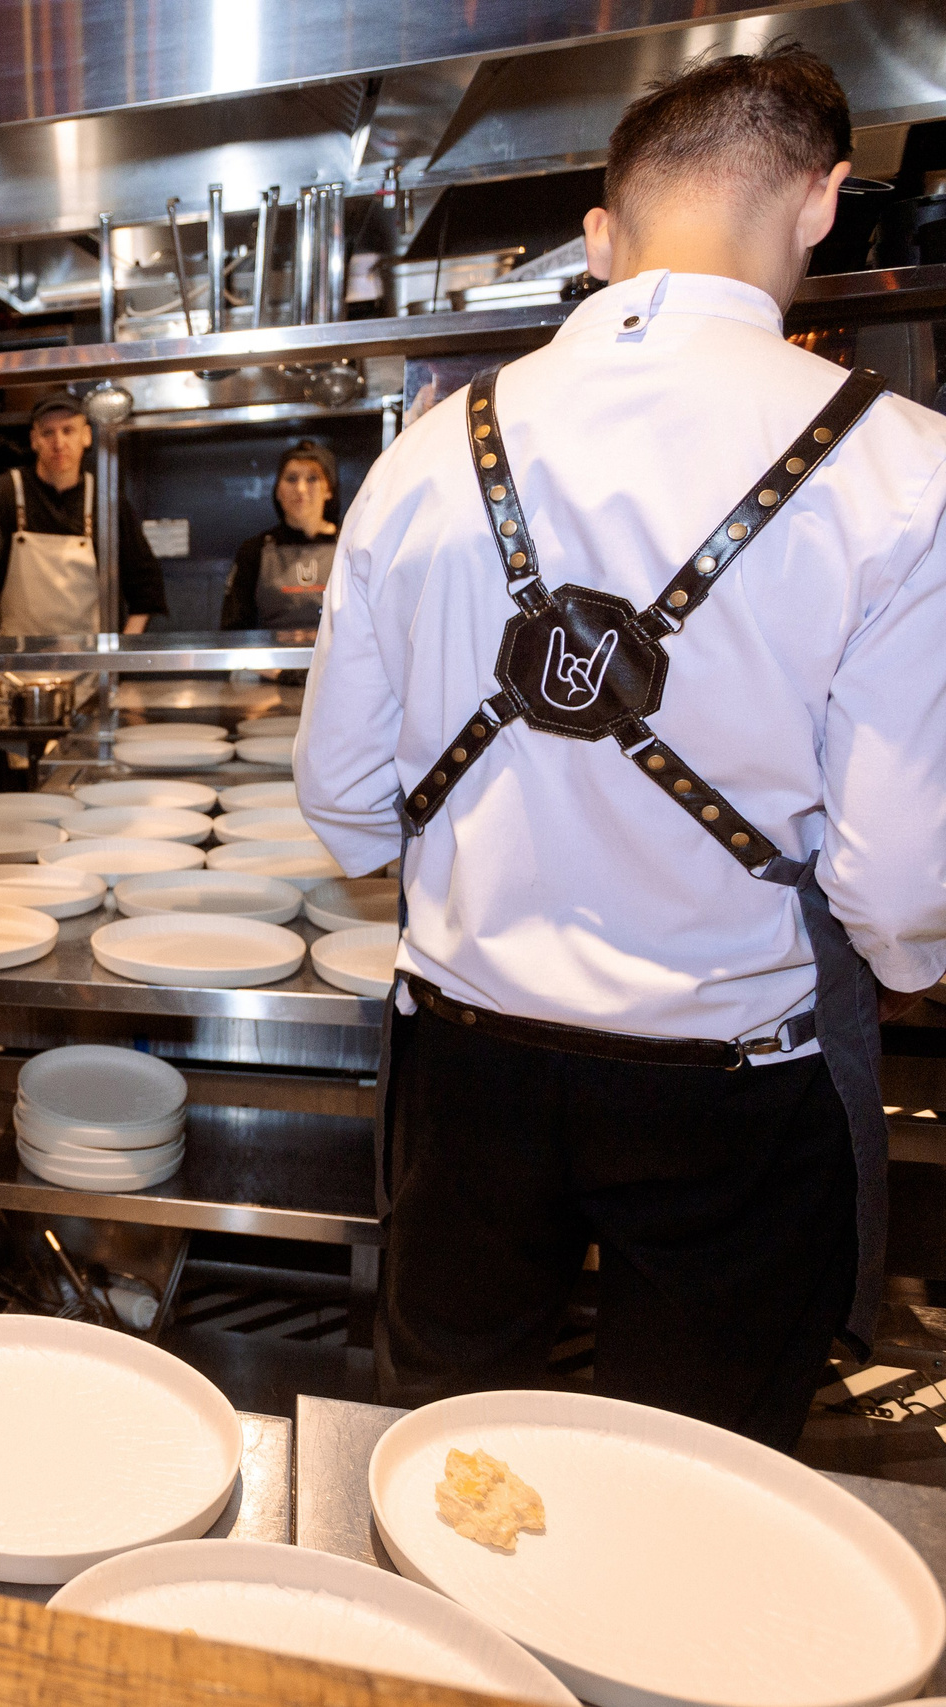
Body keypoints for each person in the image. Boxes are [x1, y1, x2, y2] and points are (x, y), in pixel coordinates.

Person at [296, 43, 946, 1449]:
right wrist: (898, 968)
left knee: (444, 1465)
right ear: (824, 203)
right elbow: (898, 894)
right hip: (730, 1086)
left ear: (602, 236)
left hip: (465, 1074)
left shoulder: (424, 454)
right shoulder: (900, 466)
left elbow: (346, 815)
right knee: (693, 1495)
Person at [0, 391, 166, 637]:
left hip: (91, 667)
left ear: (86, 436)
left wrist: (118, 660)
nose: (58, 443)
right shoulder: (6, 492)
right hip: (17, 665)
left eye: (68, 430)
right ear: (34, 440)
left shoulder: (105, 498)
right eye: (48, 432)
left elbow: (146, 586)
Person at [219, 439, 341, 631]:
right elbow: (233, 629)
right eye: (291, 478)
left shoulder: (351, 546)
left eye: (312, 478)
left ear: (329, 489)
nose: (300, 489)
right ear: (277, 491)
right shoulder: (254, 551)